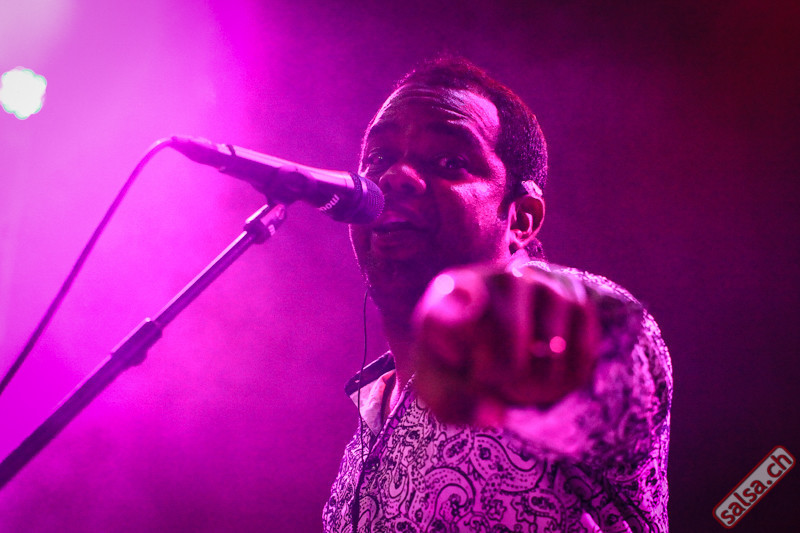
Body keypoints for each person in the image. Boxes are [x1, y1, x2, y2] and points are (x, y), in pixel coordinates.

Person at [323, 57, 672, 532]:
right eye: (380, 158)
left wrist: (484, 302)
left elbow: (620, 343)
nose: (395, 176)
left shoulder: (543, 349)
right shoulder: (369, 416)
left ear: (521, 219)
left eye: (450, 162)